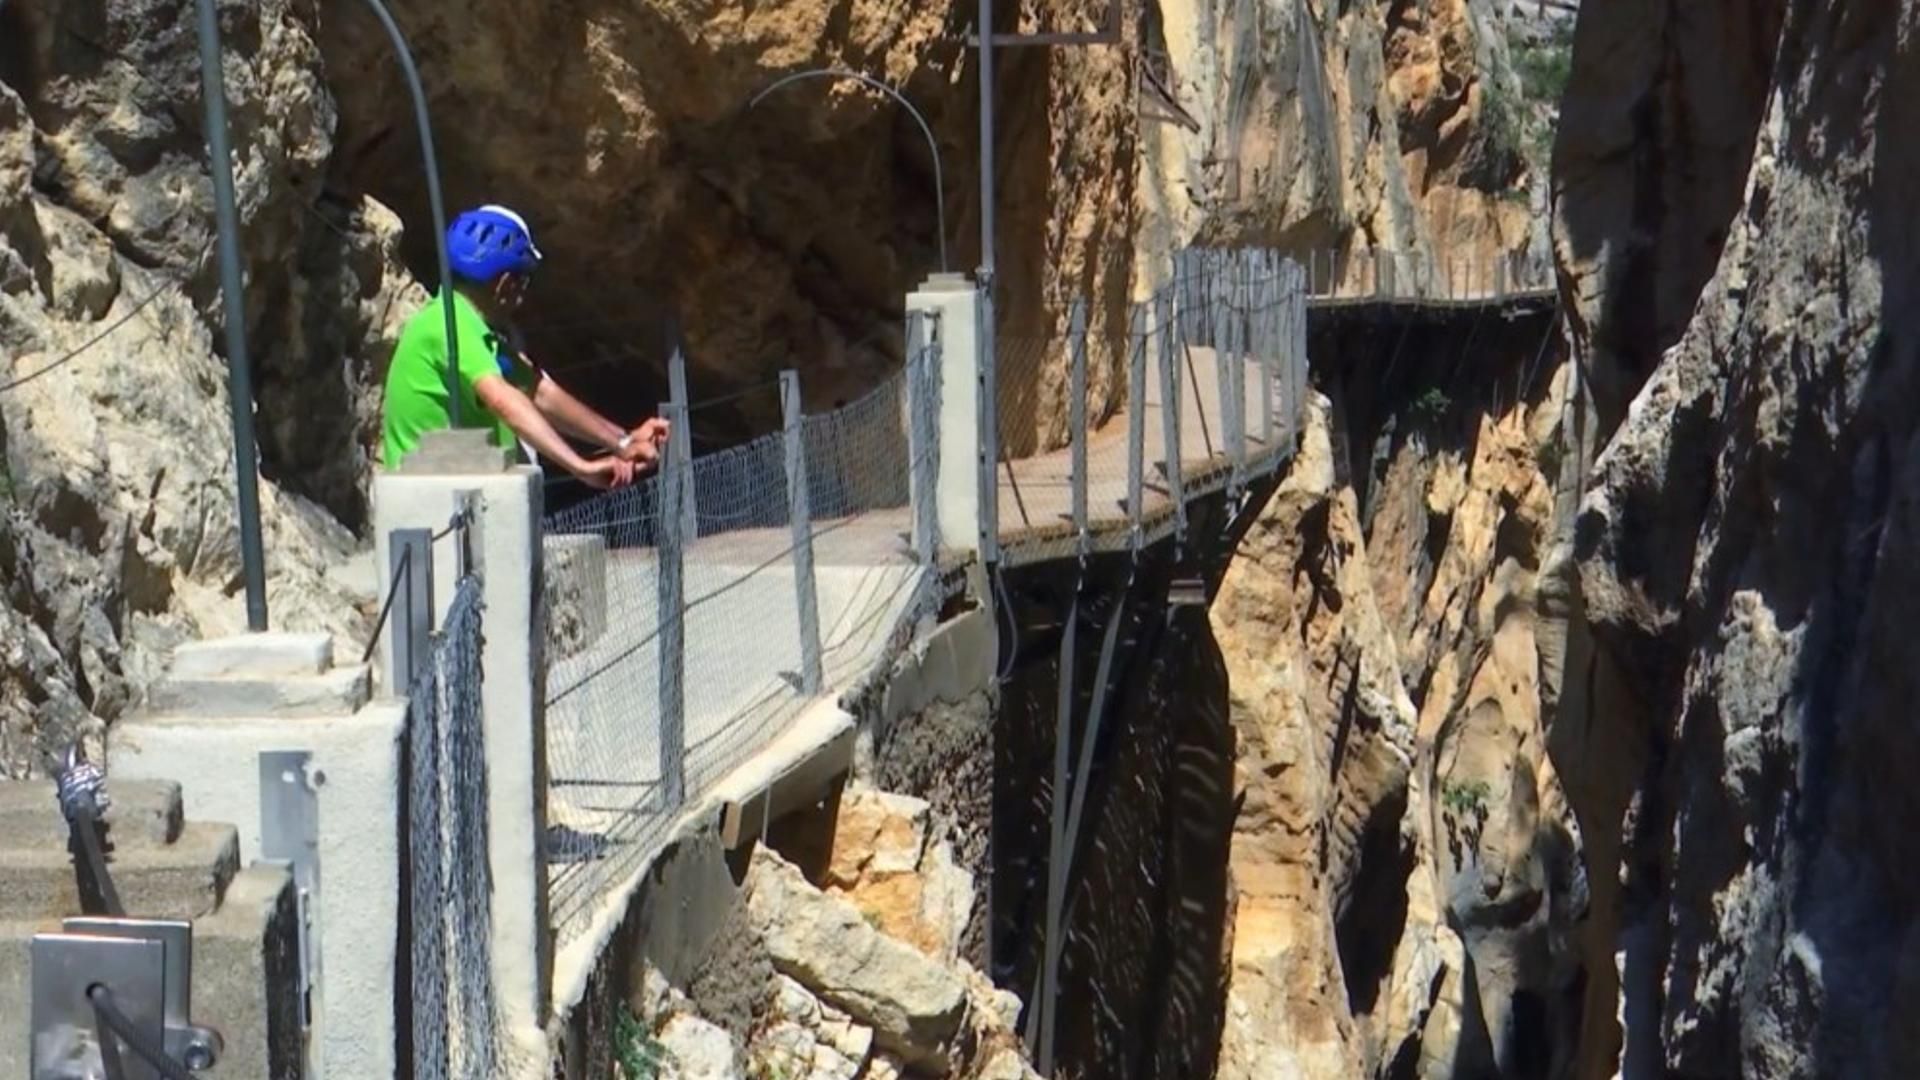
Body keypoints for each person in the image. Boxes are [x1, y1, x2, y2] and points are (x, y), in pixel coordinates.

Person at [381, 204, 669, 486]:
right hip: (434, 508)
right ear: (505, 283)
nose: (523, 295)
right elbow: (502, 399)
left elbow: (540, 392)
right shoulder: (448, 326)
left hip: (457, 499)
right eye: (524, 281)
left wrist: (624, 441)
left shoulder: (469, 327)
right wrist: (580, 467)